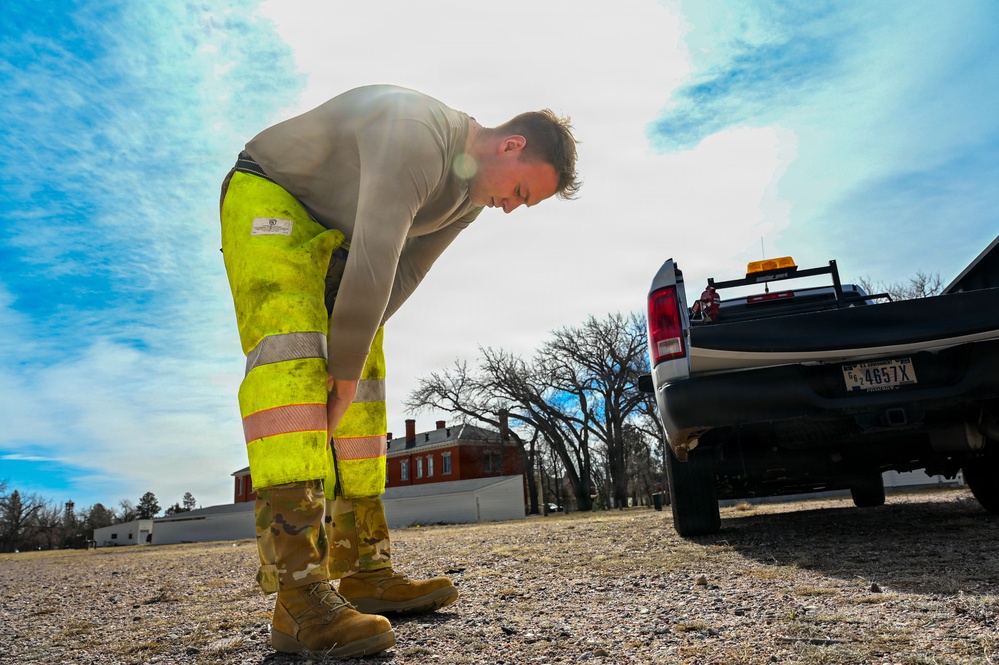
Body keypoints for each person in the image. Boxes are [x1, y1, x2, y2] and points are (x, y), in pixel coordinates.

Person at [218, 84, 580, 658]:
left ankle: (366, 569)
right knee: (291, 369)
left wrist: (345, 365)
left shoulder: (467, 202)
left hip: (346, 243)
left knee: (361, 387)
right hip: (273, 195)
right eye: (519, 191)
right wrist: (330, 369)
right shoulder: (418, 135)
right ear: (511, 145)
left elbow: (404, 273)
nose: (511, 207)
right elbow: (378, 250)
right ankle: (299, 595)